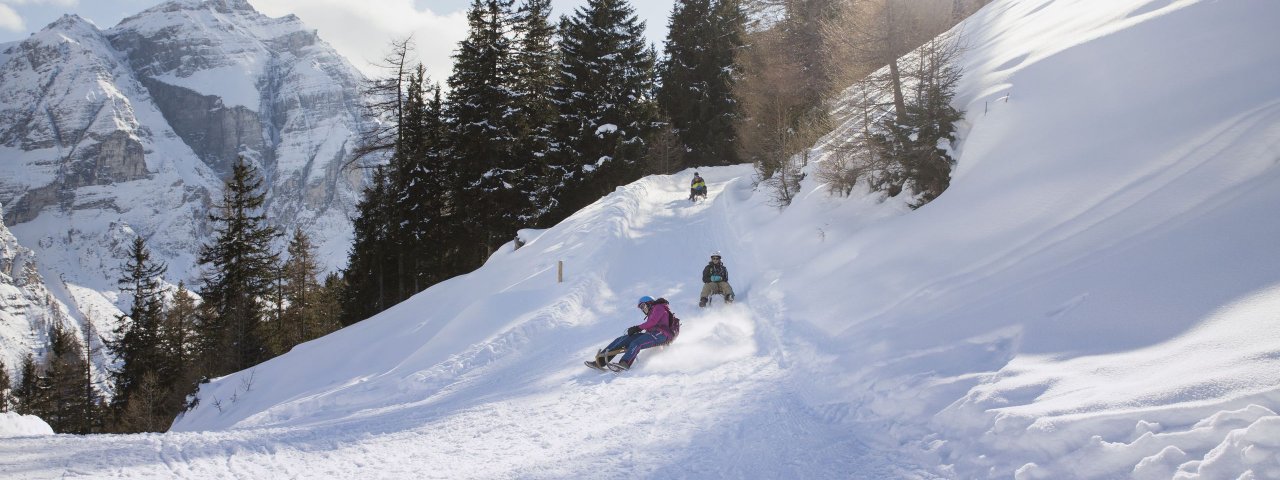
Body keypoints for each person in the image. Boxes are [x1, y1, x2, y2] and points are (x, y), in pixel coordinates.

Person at [587, 296, 677, 371]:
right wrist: (636, 330)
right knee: (621, 339)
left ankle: (625, 363)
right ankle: (600, 361)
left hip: (662, 335)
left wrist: (637, 328)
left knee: (636, 343)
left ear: (649, 303)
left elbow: (652, 322)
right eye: (641, 308)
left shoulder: (658, 307)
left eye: (643, 306)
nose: (642, 309)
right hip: (653, 334)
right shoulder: (652, 313)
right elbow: (651, 325)